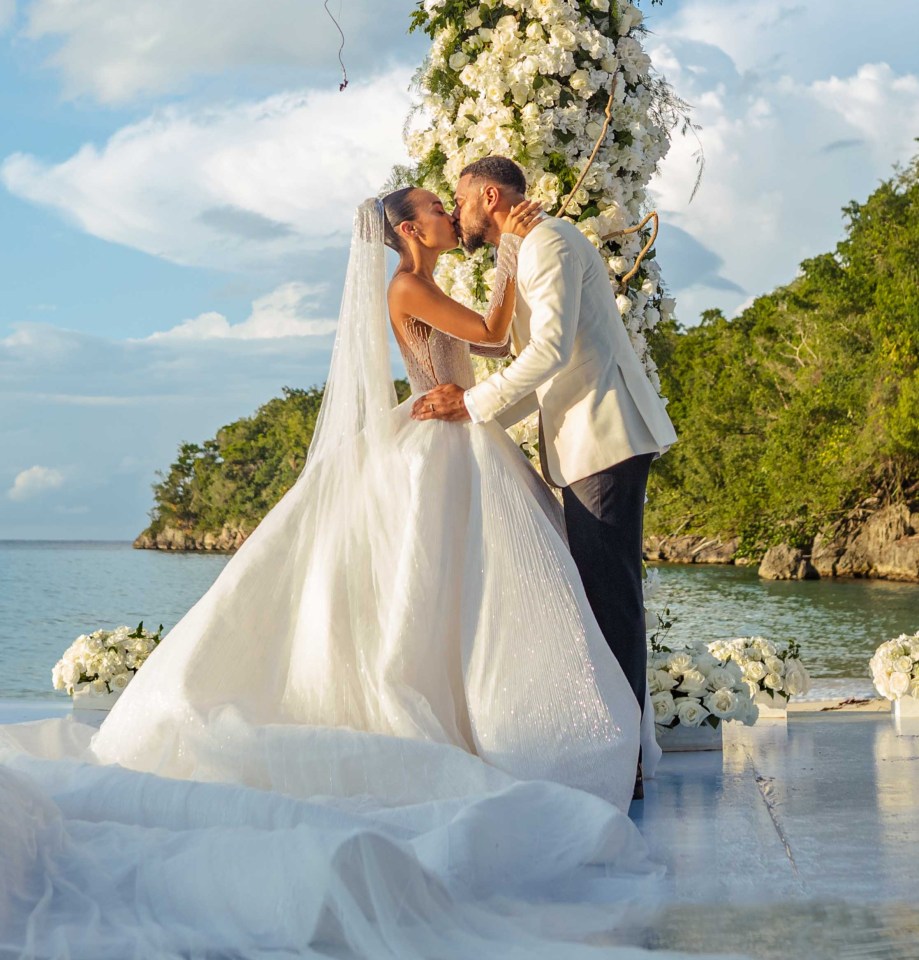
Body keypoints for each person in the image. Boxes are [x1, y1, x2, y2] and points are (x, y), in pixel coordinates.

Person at [0, 193, 664, 960]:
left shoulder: (428, 284)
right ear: (411, 231)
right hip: (440, 436)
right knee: (445, 583)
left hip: (458, 431)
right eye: (434, 210)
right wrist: (513, 253)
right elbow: (487, 335)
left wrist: (509, 265)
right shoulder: (407, 286)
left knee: (477, 587)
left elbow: (483, 345)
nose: (450, 214)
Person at [413, 157, 678, 797]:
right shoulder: (529, 245)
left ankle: (627, 765)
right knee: (597, 593)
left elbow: (551, 350)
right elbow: (525, 351)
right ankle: (620, 751)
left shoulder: (549, 243)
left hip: (605, 435)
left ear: (490, 195)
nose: (456, 212)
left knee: (611, 599)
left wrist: (472, 405)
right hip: (585, 439)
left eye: (460, 199)